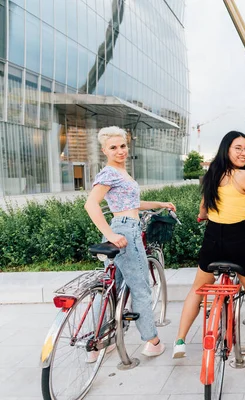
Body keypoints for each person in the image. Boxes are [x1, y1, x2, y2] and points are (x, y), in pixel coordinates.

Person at [173, 131, 245, 368]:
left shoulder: (212, 174)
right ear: (226, 149)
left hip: (212, 239)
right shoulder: (244, 175)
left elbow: (204, 207)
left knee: (197, 290)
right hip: (238, 238)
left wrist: (201, 217)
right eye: (238, 148)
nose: (243, 152)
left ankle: (180, 340)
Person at [85, 126, 175, 360]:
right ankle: (152, 341)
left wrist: (160, 204)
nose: (120, 151)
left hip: (120, 228)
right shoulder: (109, 173)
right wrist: (111, 234)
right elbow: (91, 204)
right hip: (124, 232)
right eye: (113, 147)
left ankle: (101, 341)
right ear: (104, 150)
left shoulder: (121, 173)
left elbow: (132, 203)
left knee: (110, 288)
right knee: (141, 287)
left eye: (122, 146)